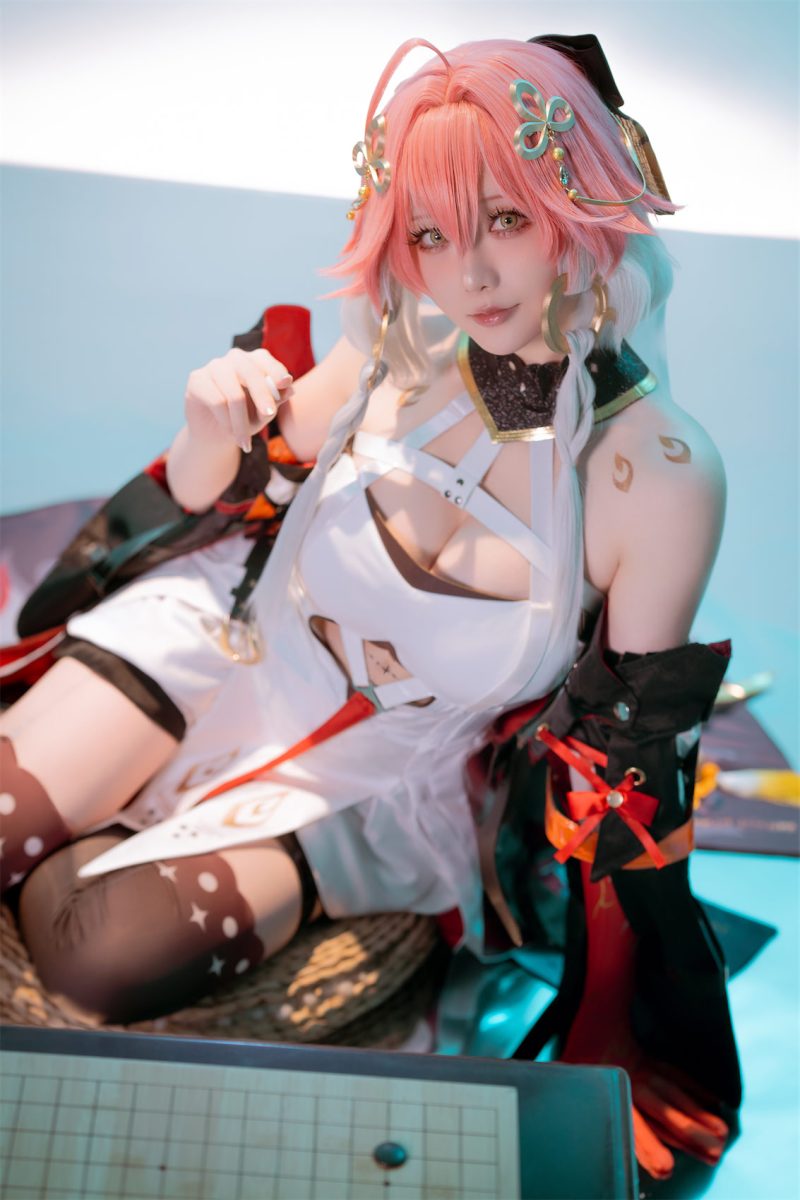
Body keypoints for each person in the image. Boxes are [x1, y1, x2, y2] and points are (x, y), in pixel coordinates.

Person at [0, 35, 738, 1180]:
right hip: (222, 644)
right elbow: (214, 497)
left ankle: (103, 825)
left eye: (505, 220)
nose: (469, 276)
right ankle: (100, 805)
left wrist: (623, 1004)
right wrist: (206, 427)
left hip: (374, 780)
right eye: (430, 235)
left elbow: (623, 772)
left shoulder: (657, 474)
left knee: (94, 956)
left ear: (581, 206)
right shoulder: (401, 341)